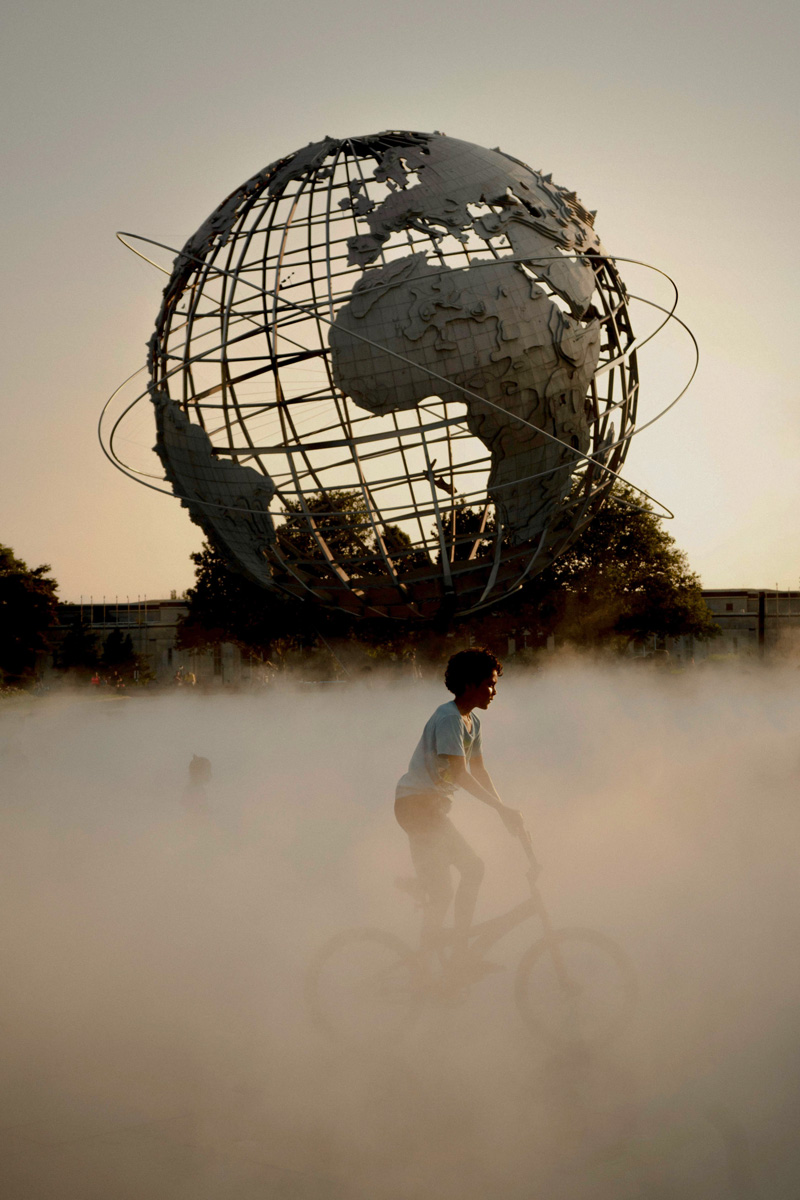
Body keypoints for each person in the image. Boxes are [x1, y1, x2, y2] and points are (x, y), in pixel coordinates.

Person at [394, 647, 526, 985]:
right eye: (488, 685)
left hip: (429, 807)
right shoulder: (450, 718)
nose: (494, 692)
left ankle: (443, 961)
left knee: (452, 882)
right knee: (462, 876)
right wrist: (500, 809)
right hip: (418, 805)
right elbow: (461, 775)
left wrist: (503, 810)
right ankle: (447, 962)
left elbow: (479, 771)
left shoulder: (471, 720)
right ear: (468, 685)